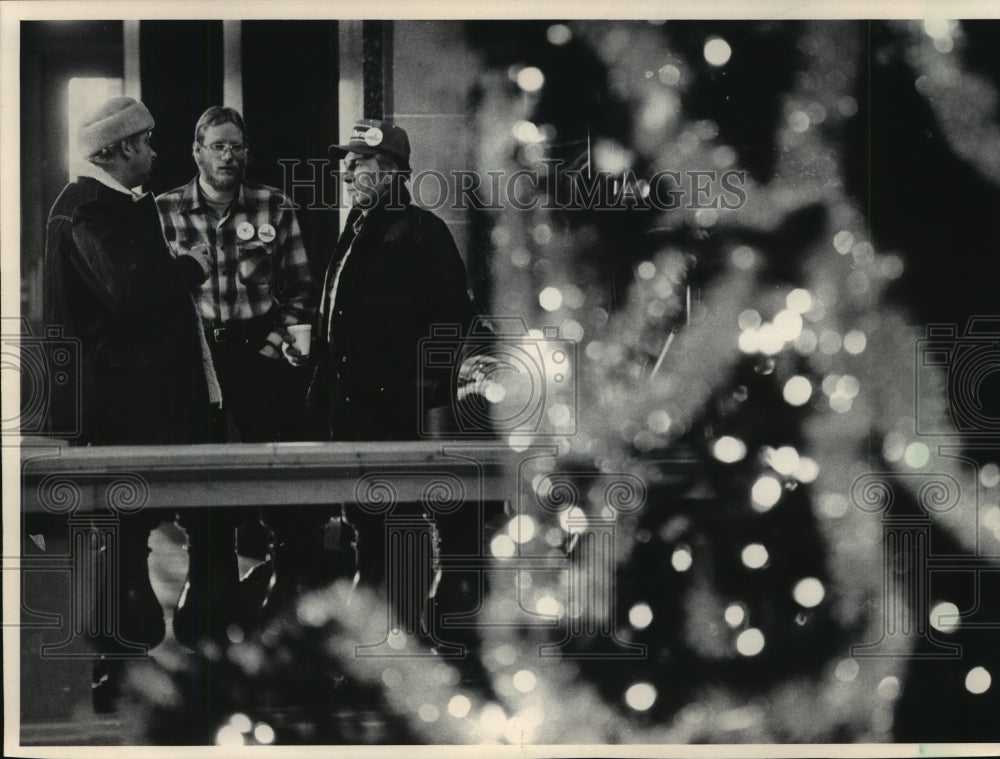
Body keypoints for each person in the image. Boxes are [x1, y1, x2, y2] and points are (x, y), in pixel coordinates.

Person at [44, 96, 215, 708]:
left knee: (122, 540)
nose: (154, 152)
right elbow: (133, 295)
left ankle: (124, 673)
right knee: (114, 546)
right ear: (115, 151)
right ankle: (115, 682)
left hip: (124, 407)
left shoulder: (104, 205)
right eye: (145, 142)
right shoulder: (90, 209)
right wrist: (189, 267)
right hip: (114, 411)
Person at [288, 118, 478, 646]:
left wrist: (416, 393)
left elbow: (451, 322)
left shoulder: (421, 231)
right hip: (349, 406)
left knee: (396, 517)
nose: (347, 172)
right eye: (346, 163)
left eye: (359, 163)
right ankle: (377, 623)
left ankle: (398, 630)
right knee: (368, 516)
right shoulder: (357, 226)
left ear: (392, 171)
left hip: (395, 411)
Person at [156, 106, 316, 647]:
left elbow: (299, 290)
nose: (229, 156)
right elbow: (154, 299)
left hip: (259, 356)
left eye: (237, 147)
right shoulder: (164, 211)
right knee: (202, 479)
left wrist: (273, 347)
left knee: (277, 473)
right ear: (197, 151)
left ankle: (282, 604)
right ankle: (207, 601)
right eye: (218, 146)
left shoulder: (275, 205)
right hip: (197, 362)